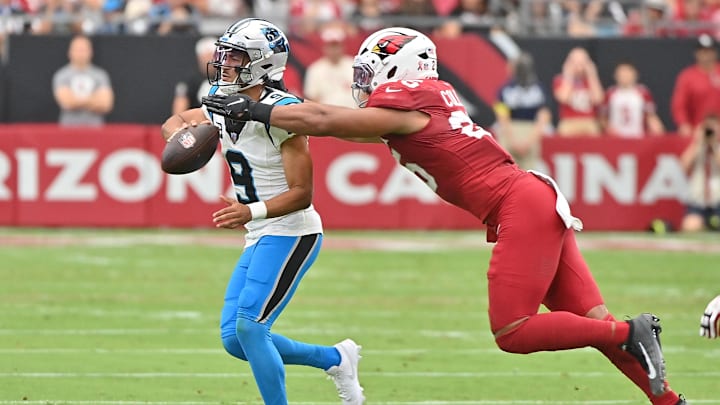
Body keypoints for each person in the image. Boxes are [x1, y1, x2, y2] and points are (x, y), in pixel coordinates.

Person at [203, 26, 689, 405]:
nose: (365, 82)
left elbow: (324, 121)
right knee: (592, 321)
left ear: (401, 68)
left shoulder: (409, 99)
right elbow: (343, 128)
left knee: (514, 330)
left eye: (373, 70)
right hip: (530, 199)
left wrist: (256, 111)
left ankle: (633, 331)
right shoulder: (421, 103)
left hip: (519, 203)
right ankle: (666, 398)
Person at [160, 18, 364, 405]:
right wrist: (182, 139)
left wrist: (249, 211)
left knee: (251, 329)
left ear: (262, 63)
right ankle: (335, 358)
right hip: (261, 232)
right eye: (225, 54)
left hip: (292, 230)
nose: (224, 63)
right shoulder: (222, 95)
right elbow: (179, 121)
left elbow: (302, 194)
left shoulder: (284, 114)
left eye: (235, 56)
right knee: (235, 340)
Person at [493, 51, 552, 171]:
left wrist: (515, 140)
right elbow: (543, 117)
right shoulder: (539, 89)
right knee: (527, 175)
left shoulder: (504, 90)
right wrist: (528, 141)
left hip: (514, 132)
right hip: (527, 132)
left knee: (509, 173)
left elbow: (502, 118)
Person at [52, 34, 114, 126]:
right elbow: (67, 103)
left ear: (91, 52)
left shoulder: (100, 75)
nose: (81, 53)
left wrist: (76, 100)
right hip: (68, 129)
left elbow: (106, 104)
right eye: (77, 49)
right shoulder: (61, 75)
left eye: (84, 49)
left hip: (95, 130)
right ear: (70, 52)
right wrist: (94, 99)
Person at [671, 33, 720, 137]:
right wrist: (683, 124)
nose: (706, 54)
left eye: (708, 51)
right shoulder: (687, 76)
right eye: (702, 51)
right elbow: (679, 105)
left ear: (715, 52)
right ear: (696, 53)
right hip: (697, 131)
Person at [600, 61, 665, 138]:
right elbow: (602, 117)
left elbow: (651, 115)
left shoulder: (643, 92)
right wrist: (609, 129)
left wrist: (658, 129)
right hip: (616, 137)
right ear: (615, 76)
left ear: (635, 75)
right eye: (621, 74)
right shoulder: (610, 93)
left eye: (627, 73)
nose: (624, 76)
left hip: (638, 136)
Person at [678, 114, 720, 232]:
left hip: (718, 202)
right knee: (690, 227)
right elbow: (683, 166)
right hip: (699, 203)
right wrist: (698, 143)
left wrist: (714, 145)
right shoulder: (697, 148)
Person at [552, 46, 604, 137]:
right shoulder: (560, 80)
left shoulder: (591, 81)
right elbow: (563, 98)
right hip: (568, 121)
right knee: (564, 131)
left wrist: (592, 75)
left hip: (589, 121)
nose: (578, 66)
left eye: (582, 62)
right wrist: (568, 75)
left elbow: (598, 99)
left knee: (594, 132)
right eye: (575, 62)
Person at [303, 23, 356, 108]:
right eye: (331, 46)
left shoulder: (354, 65)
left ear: (343, 46)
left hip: (353, 115)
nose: (334, 50)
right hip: (327, 117)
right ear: (324, 47)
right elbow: (312, 99)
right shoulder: (315, 69)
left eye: (336, 46)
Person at [172, 36, 216, 115]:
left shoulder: (225, 77)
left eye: (212, 56)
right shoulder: (190, 80)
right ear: (199, 57)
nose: (210, 60)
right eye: (206, 56)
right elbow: (179, 108)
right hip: (195, 122)